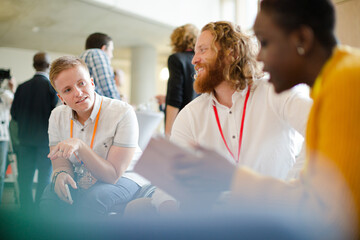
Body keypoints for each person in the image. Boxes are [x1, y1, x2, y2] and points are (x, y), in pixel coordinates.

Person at [170, 0, 359, 238]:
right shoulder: (331, 84)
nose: (258, 55)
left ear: (302, 40)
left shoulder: (347, 84)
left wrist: (230, 177)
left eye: (266, 42)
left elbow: (333, 218)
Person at [171, 21, 312, 180]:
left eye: (203, 50)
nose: (194, 60)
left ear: (232, 54)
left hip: (276, 202)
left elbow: (322, 125)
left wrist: (294, 183)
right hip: (217, 204)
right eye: (195, 52)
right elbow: (170, 178)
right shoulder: (190, 114)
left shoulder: (275, 92)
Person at [39, 56, 143, 219]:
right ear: (61, 98)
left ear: (92, 83)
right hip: (83, 175)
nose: (78, 93)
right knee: (50, 195)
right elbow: (59, 162)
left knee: (94, 199)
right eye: (68, 90)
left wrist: (80, 146)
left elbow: (112, 175)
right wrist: (61, 174)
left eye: (81, 83)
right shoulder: (56, 116)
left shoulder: (122, 112)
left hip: (124, 176)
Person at [10, 52, 57, 210]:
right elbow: (56, 116)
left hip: (24, 140)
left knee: (25, 178)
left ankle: (25, 211)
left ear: (33, 65)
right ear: (49, 66)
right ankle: (39, 211)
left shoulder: (22, 87)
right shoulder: (52, 88)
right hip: (45, 142)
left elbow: (14, 114)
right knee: (44, 178)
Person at [165, 24, 199, 136]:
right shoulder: (201, 60)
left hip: (183, 121)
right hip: (200, 119)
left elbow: (175, 97)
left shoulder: (176, 59)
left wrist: (168, 132)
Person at [80, 32, 121, 100]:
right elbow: (108, 89)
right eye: (111, 50)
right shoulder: (96, 53)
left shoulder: (82, 57)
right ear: (103, 48)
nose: (112, 56)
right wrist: (122, 105)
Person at [0, 76, 14, 204]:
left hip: (3, 137)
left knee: (0, 172)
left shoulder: (5, 95)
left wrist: (12, 88)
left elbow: (15, 106)